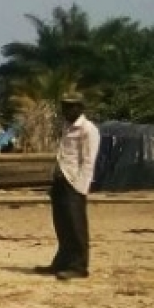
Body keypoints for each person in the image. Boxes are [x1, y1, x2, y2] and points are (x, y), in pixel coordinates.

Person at [39, 93, 99, 280]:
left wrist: (80, 187)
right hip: (61, 179)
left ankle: (78, 266)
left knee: (75, 225)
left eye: (71, 106)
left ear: (80, 108)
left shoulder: (88, 129)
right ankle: (62, 262)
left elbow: (88, 161)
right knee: (62, 224)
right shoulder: (66, 126)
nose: (67, 110)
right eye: (64, 106)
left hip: (75, 182)